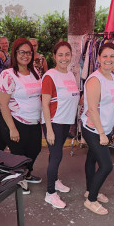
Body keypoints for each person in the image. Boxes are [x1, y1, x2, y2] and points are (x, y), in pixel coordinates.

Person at [0, 38, 43, 194]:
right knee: (19, 154)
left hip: (34, 120)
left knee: (35, 149)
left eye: (29, 52)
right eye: (22, 52)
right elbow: (3, 104)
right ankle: (18, 180)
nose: (26, 55)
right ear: (15, 53)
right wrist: (12, 128)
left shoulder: (35, 72)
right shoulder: (8, 75)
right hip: (17, 121)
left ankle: (27, 174)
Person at [81, 43, 114, 215]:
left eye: (112, 56)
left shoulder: (112, 77)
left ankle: (91, 191)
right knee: (106, 166)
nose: (108, 60)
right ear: (98, 58)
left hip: (104, 128)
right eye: (105, 56)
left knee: (92, 159)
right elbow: (92, 109)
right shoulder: (95, 80)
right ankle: (91, 201)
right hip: (94, 130)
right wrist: (102, 134)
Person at [41, 41, 80, 209]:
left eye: (67, 54)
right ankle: (50, 193)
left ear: (71, 56)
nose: (64, 58)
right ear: (54, 56)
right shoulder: (50, 76)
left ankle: (55, 181)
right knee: (56, 156)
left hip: (65, 121)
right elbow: (44, 104)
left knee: (55, 155)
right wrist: (48, 130)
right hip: (54, 122)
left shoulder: (70, 75)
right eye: (60, 55)